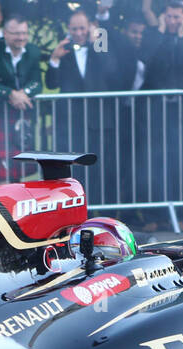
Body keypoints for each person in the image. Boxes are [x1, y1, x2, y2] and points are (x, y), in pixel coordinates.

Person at [48, 7, 133, 205]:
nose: (78, 33)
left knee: (104, 169)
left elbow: (112, 72)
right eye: (74, 29)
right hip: (72, 121)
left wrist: (97, 42)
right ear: (68, 29)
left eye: (82, 28)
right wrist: (54, 59)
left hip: (101, 120)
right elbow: (52, 83)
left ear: (90, 27)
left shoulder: (100, 46)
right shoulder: (64, 51)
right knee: (75, 171)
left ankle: (105, 212)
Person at [144, 1, 183, 214]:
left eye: (177, 17)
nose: (172, 21)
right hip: (158, 112)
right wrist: (162, 34)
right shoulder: (154, 36)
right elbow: (150, 65)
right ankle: (160, 214)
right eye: (169, 17)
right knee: (157, 163)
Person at [0, 13, 40, 183]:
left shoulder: (33, 51)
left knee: (22, 162)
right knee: (0, 165)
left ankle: (21, 206)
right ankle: (1, 206)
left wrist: (23, 93)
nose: (21, 37)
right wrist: (11, 94)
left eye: (24, 33)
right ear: (5, 33)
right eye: (16, 33)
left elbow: (37, 82)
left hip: (21, 113)